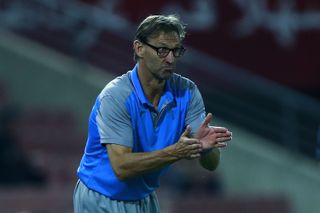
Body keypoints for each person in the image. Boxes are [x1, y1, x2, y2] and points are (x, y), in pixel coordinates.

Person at [73, 14, 232, 213]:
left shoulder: (188, 92)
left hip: (144, 198)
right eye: (162, 50)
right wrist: (174, 152)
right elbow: (122, 167)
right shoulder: (116, 96)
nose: (170, 59)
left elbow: (210, 165)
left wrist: (207, 148)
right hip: (101, 198)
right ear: (139, 48)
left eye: (176, 51)